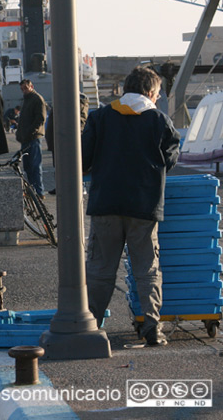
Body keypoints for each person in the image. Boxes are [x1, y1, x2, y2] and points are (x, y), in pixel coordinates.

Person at [82, 66, 180, 347]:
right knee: (146, 269)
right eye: (158, 93)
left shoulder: (99, 117)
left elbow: (84, 158)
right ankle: (151, 327)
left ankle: (92, 323)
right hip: (143, 206)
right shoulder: (160, 120)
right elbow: (170, 159)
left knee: (101, 269)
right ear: (151, 92)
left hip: (106, 204)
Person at [44, 92, 89, 195]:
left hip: (65, 140)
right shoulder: (63, 104)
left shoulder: (77, 104)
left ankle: (77, 186)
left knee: (72, 165)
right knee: (60, 166)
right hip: (57, 139)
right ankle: (61, 186)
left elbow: (79, 122)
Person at [16, 79, 47, 197]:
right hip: (27, 138)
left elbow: (40, 118)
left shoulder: (37, 99)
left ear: (31, 86)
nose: (24, 91)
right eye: (22, 89)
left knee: (34, 165)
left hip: (33, 137)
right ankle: (33, 190)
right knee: (28, 166)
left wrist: (30, 132)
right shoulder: (28, 100)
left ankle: (39, 191)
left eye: (25, 88)